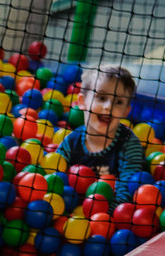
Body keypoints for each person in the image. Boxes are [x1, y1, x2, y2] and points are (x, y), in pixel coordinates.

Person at [56, 65, 147, 206]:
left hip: (108, 217)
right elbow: (54, 178)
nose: (109, 106)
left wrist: (104, 220)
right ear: (82, 102)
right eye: (102, 97)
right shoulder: (71, 142)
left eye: (118, 102)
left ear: (125, 111)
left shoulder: (129, 144)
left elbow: (125, 194)